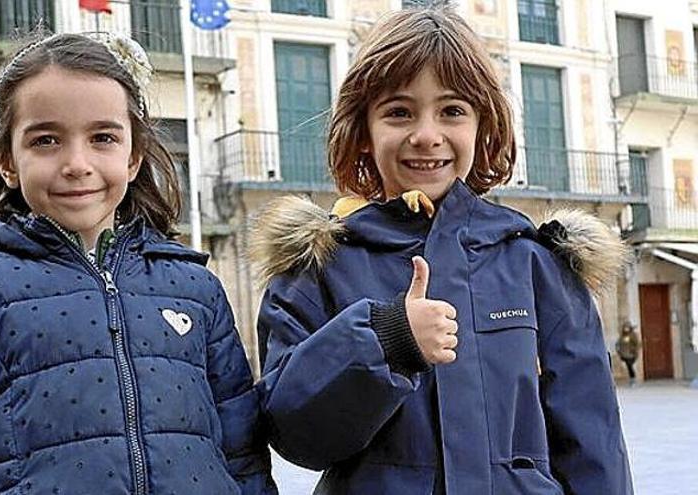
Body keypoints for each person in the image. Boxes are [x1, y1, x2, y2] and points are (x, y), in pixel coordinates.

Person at [0, 32, 276, 495]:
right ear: (7, 160)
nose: (77, 163)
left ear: (133, 156)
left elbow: (243, 459)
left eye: (103, 137)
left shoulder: (196, 288)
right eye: (46, 140)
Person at [252, 6, 633, 494]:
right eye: (398, 112)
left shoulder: (535, 262)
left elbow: (593, 440)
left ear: (483, 125)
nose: (426, 135)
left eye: (452, 110)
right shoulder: (318, 266)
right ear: (363, 131)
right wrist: (387, 339)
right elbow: (295, 434)